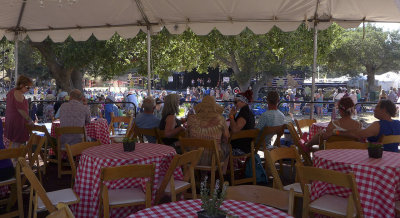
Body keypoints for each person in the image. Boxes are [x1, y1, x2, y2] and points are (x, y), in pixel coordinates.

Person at [187, 96, 229, 168]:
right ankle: (222, 175)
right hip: (213, 158)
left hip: (192, 157)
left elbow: (187, 135)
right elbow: (226, 137)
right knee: (228, 148)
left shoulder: (191, 118)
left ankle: (199, 176)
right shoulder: (221, 119)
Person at [5, 75, 33, 147]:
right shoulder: (18, 93)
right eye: (27, 87)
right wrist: (30, 120)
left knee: (11, 145)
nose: (28, 89)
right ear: (21, 85)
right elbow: (21, 110)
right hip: (17, 122)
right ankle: (16, 158)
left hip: (11, 121)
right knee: (17, 146)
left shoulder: (12, 92)